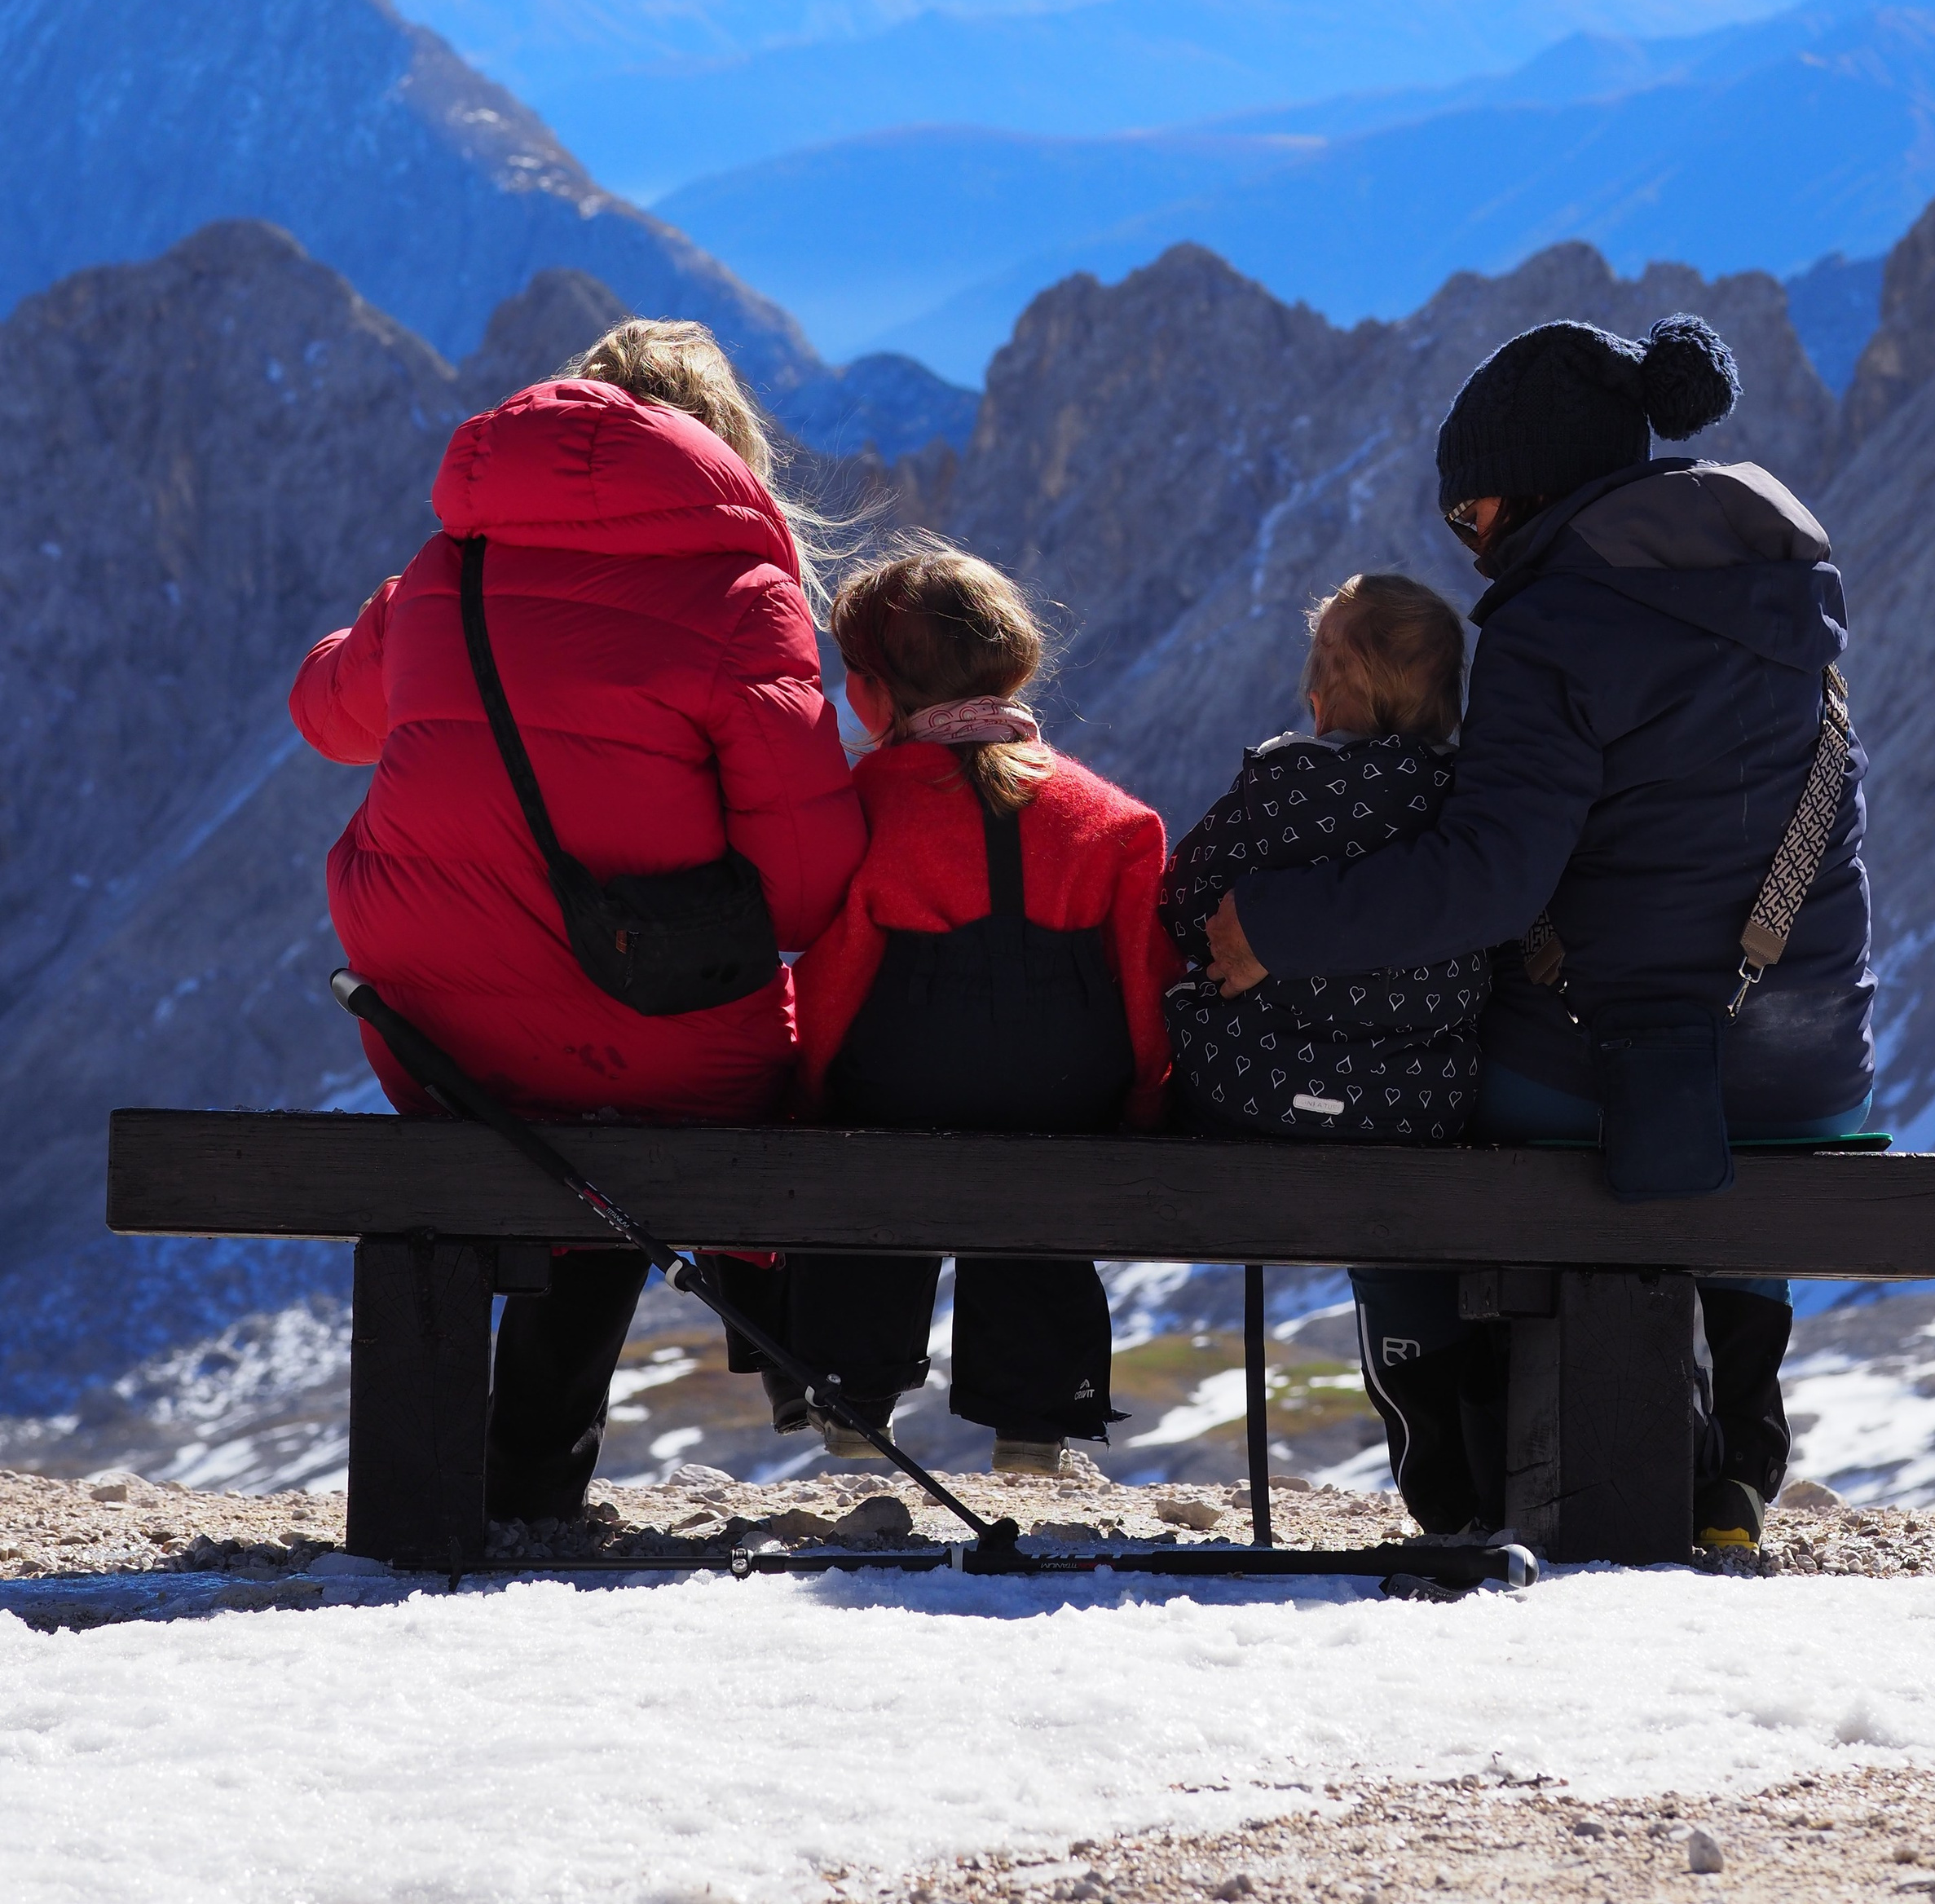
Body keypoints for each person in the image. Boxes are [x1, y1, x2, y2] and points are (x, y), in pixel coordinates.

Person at [1205, 313, 1871, 1551]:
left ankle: (1458, 1476)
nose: (1468, 550)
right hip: (1807, 1063)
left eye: (1471, 517)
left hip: (1595, 1064)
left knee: (1408, 1128)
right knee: (1729, 1145)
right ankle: (1735, 1466)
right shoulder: (1793, 590)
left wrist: (1278, 923)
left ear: (1529, 494)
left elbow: (1490, 879)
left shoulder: (1551, 623)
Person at [289, 317, 866, 1523]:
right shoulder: (744, 593)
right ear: (723, 444)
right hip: (651, 1024)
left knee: (563, 1094)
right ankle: (777, 1371)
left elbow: (327, 717)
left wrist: (391, 622)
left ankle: (498, 1479)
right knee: (727, 1061)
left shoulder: (454, 567)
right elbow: (806, 891)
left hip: (435, 1019)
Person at [783, 545, 1179, 1477]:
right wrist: (1143, 1102)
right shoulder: (1115, 818)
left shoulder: (867, 805)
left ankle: (853, 1394)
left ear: (874, 693)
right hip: (1066, 1091)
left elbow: (836, 977)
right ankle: (1034, 1423)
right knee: (1038, 1205)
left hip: (898, 1088)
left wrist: (802, 1090)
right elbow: (1143, 981)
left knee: (866, 1187)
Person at [1158, 572, 1490, 1140]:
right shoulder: (1467, 807)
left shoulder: (1277, 790)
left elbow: (1182, 903)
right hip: (1417, 1104)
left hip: (1246, 1087)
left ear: (1318, 706)